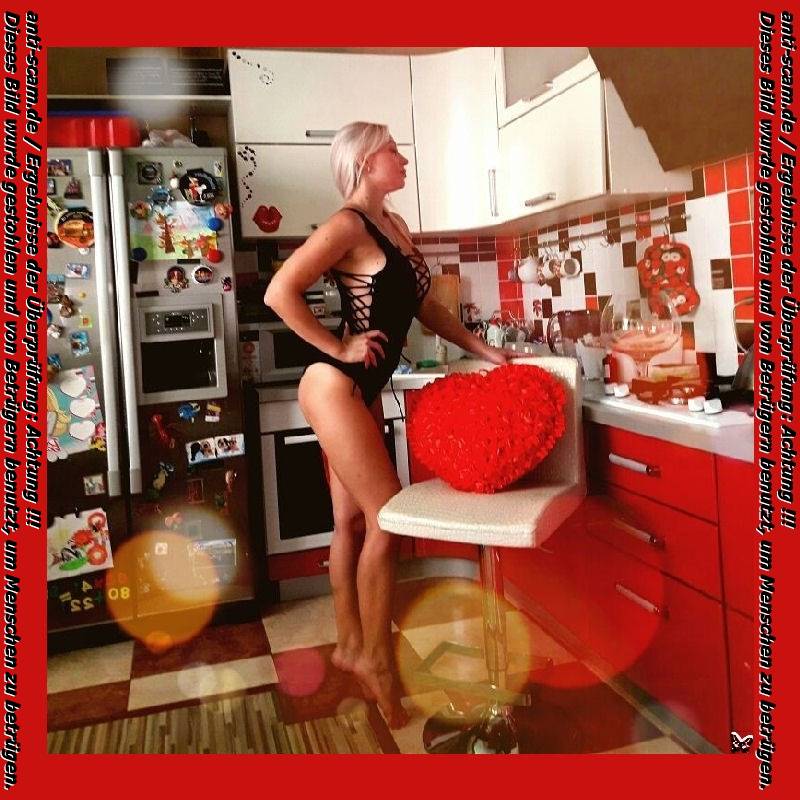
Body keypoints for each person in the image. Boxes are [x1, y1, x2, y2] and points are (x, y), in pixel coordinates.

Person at [264, 121, 508, 727]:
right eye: (393, 150)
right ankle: (375, 657)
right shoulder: (347, 224)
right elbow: (279, 292)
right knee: (388, 515)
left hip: (364, 387)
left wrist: (484, 350)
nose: (403, 158)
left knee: (350, 520)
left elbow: (424, 307)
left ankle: (350, 644)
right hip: (334, 383)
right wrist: (338, 345)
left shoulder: (393, 224)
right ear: (365, 162)